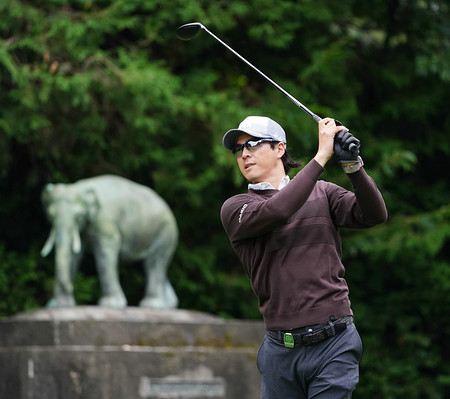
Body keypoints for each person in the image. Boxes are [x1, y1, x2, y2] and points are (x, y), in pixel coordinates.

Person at [220, 115, 387, 399]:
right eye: (239, 149)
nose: (244, 153)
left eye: (253, 144)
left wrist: (353, 166)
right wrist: (322, 156)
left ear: (279, 149)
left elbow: (374, 214)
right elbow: (279, 211)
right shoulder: (237, 207)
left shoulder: (323, 193)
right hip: (280, 353)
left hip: (335, 342)